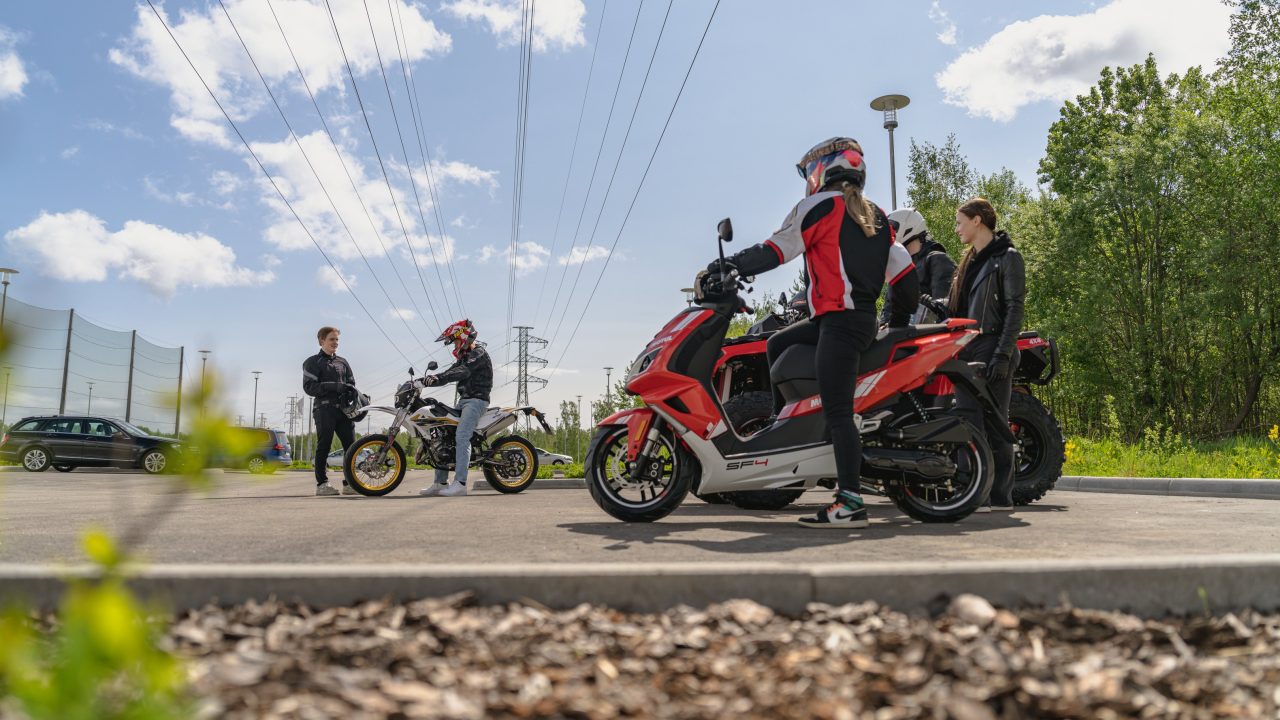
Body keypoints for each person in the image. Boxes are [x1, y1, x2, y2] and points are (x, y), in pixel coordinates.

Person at [706, 137, 918, 529]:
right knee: (777, 342)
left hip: (840, 325)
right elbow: (905, 279)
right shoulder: (877, 218)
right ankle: (781, 421)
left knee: (840, 414)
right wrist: (898, 327)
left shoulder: (821, 206)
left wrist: (728, 265)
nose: (809, 179)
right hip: (853, 323)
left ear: (824, 170)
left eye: (810, 172)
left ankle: (851, 502)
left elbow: (777, 249)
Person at [946, 197, 1025, 511]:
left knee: (994, 423)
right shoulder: (969, 261)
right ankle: (973, 493)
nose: (956, 229)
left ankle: (1001, 497)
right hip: (968, 349)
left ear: (977, 220)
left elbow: (1014, 309)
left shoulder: (1007, 257)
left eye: (960, 222)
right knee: (968, 422)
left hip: (994, 347)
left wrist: (1003, 355)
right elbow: (963, 309)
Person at [417, 319, 494, 498]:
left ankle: (460, 484)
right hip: (464, 401)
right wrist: (424, 381)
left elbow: (461, 372)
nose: (455, 344)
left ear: (464, 336)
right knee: (444, 436)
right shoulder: (464, 357)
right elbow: (449, 373)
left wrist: (436, 379)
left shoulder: (478, 353)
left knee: (461, 436)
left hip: (477, 401)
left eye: (456, 340)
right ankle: (440, 482)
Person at [302, 326, 358, 497]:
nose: (335, 343)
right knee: (324, 446)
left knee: (351, 447)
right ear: (321, 341)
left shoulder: (343, 362)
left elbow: (351, 383)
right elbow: (309, 387)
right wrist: (333, 386)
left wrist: (351, 393)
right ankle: (322, 485)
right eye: (332, 339)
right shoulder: (312, 362)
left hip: (343, 411)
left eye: (337, 339)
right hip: (324, 410)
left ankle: (350, 484)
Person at [879, 207, 958, 324]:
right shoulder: (899, 268)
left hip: (928, 337)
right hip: (900, 336)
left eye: (892, 227)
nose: (890, 233)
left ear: (908, 226)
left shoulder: (937, 259)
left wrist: (929, 304)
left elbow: (944, 309)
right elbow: (888, 312)